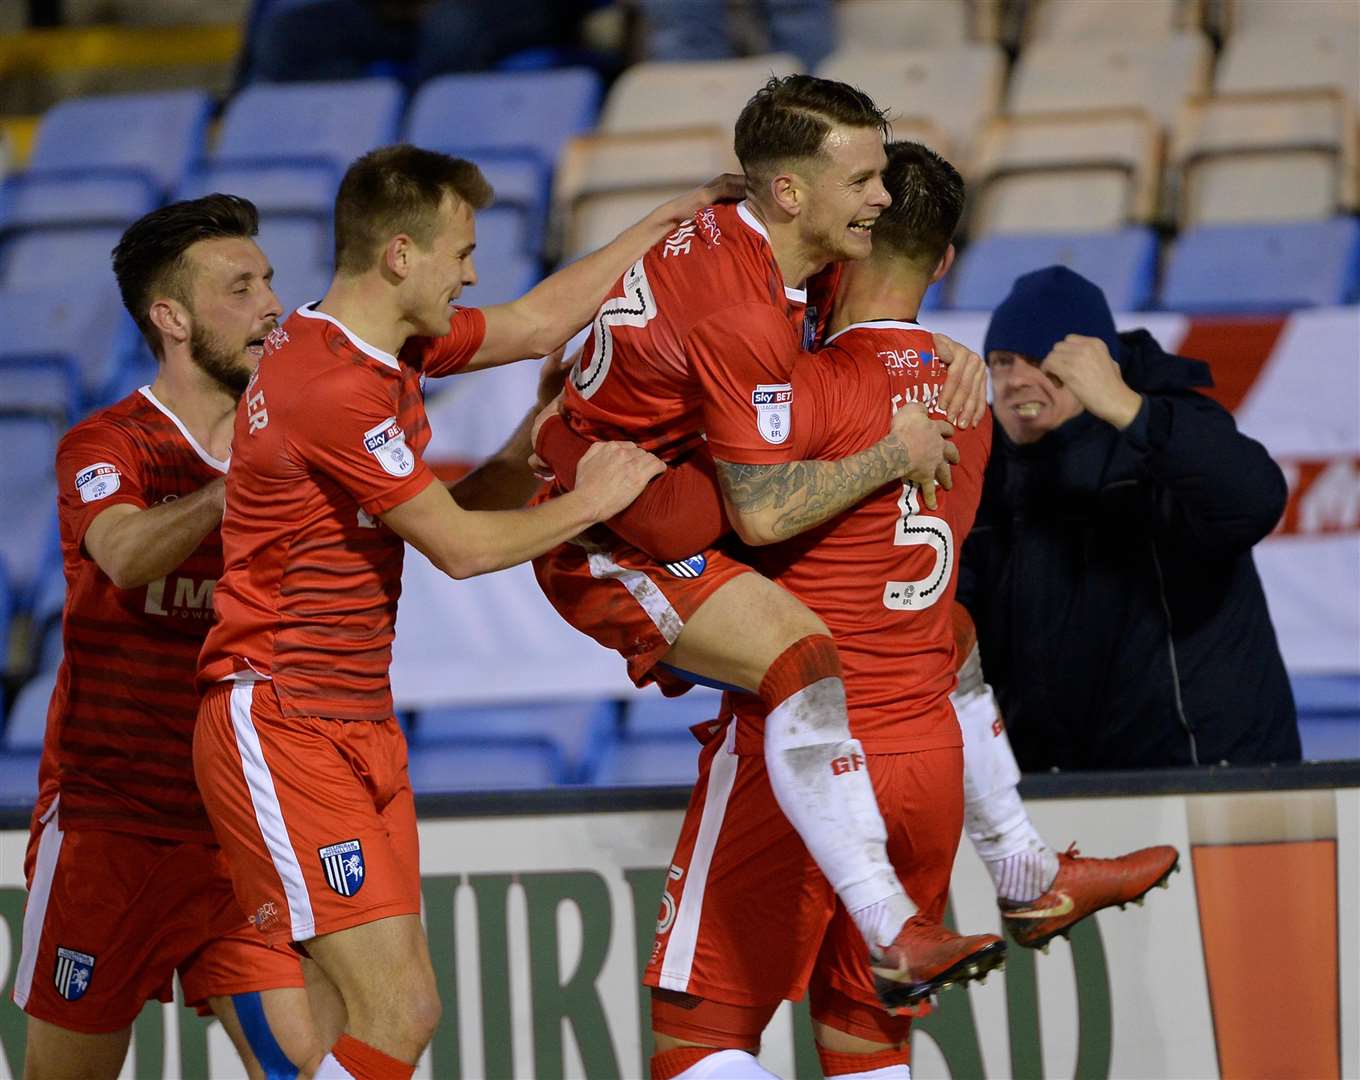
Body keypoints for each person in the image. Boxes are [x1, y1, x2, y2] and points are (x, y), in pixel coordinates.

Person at [535, 148, 1180, 1079]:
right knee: (867, 1036)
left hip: (808, 751)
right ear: (946, 263)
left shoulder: (799, 388)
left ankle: (1021, 869)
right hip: (928, 762)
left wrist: (564, 430)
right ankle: (1024, 865)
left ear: (849, 235)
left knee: (698, 1042)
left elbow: (727, 516)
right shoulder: (970, 401)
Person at [190, 145, 736, 1078]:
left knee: (349, 1029)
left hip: (352, 718)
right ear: (400, 254)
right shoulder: (331, 386)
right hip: (283, 717)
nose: (473, 271)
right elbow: (459, 548)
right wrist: (593, 499)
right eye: (460, 251)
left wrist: (667, 222)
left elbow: (531, 325)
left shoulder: (372, 341)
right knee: (400, 1012)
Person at [531, 76, 1000, 1050]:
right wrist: (893, 450)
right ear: (789, 193)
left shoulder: (773, 248)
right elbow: (761, 508)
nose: (881, 196)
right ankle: (904, 915)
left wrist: (931, 347)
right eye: (863, 178)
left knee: (916, 638)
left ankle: (998, 878)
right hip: (604, 541)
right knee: (804, 655)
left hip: (658, 500)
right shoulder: (739, 309)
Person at [13, 194, 331, 1079]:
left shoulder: (301, 441)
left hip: (239, 831)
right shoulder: (110, 442)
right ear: (172, 317)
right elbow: (120, 554)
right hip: (112, 828)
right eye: (242, 286)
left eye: (269, 280)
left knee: (310, 1066)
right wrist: (239, 486)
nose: (272, 303)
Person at [960, 266, 1301, 770]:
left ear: (1099, 365)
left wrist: (1128, 409)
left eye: (1045, 361)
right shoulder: (982, 468)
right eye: (1003, 362)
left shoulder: (1167, 432)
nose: (1016, 381)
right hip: (1060, 787)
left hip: (1205, 775)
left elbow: (1256, 499)